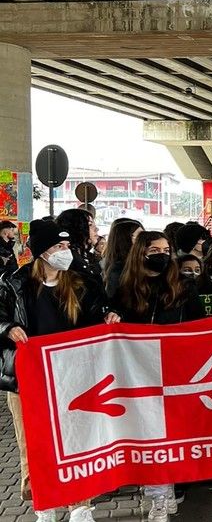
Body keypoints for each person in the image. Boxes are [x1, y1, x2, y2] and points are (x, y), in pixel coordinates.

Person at [0, 220, 118, 522]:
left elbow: (98, 312)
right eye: (58, 247)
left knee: (75, 439)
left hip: (73, 376)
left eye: (66, 246)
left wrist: (109, 317)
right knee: (34, 441)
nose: (65, 252)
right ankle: (43, 502)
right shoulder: (13, 283)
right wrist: (8, 327)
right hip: (28, 378)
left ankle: (80, 503)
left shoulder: (82, 282)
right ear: (42, 253)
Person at [113, 231, 203, 521]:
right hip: (139, 376)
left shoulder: (184, 287)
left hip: (175, 374)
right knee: (148, 437)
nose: (163, 254)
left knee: (172, 436)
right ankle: (158, 496)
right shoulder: (125, 290)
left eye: (166, 249)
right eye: (155, 249)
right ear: (141, 253)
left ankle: (169, 488)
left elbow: (200, 327)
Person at [56, 208, 101, 280]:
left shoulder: (87, 255)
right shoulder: (67, 260)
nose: (96, 229)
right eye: (90, 225)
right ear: (76, 229)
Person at [102, 220, 144, 298]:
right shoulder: (119, 269)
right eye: (140, 236)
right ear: (126, 240)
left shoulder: (140, 263)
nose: (145, 240)